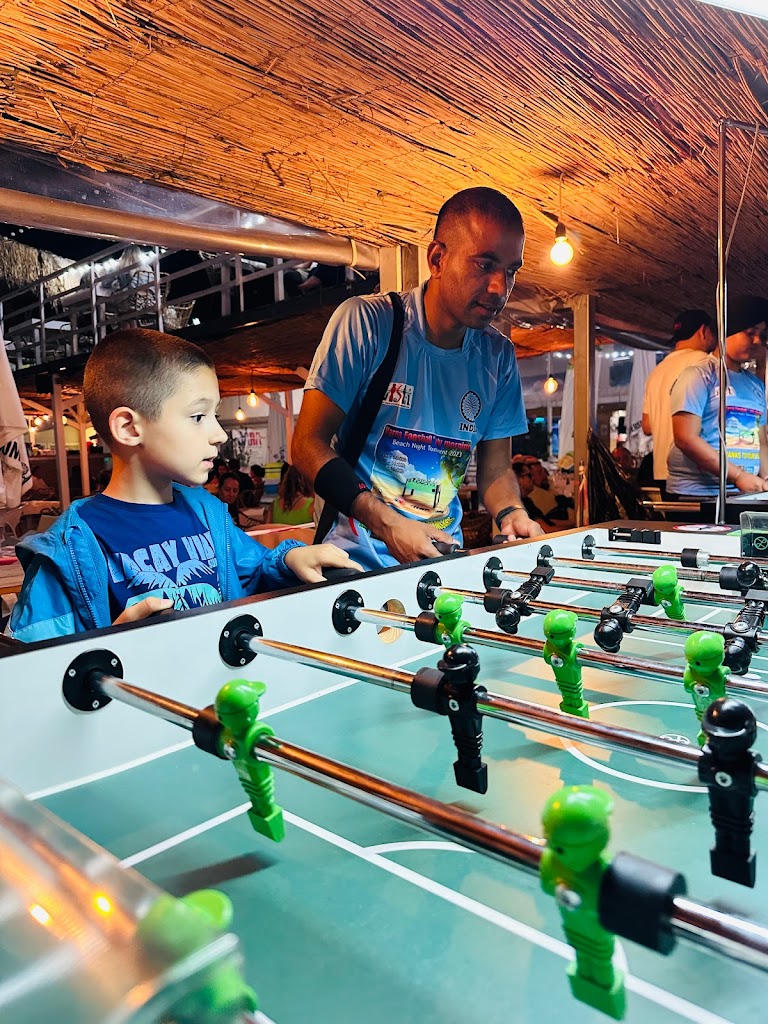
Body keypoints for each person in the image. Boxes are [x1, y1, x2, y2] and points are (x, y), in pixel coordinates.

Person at [9, 329, 359, 642]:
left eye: (215, 415)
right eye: (197, 417)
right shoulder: (67, 551)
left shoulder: (207, 513)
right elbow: (35, 676)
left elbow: (254, 568)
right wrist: (112, 646)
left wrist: (290, 557)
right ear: (130, 428)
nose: (219, 434)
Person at [292, 187, 544, 571]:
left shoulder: (498, 356)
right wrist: (387, 522)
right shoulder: (368, 323)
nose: (499, 288)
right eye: (484, 265)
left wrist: (511, 513)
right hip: (352, 561)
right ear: (437, 259)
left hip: (441, 556)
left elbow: (496, 469)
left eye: (511, 271)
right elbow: (307, 445)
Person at [667, 296, 768, 500]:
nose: (756, 341)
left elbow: (761, 440)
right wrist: (738, 475)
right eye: (749, 333)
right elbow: (685, 438)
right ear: (725, 331)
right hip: (696, 494)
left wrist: (765, 476)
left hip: (740, 493)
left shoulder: (755, 385)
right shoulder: (699, 375)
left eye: (761, 335)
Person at [641, 309, 716, 497]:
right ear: (703, 331)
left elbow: (647, 426)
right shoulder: (705, 364)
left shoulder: (657, 371)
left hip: (662, 472)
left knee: (674, 525)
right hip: (696, 474)